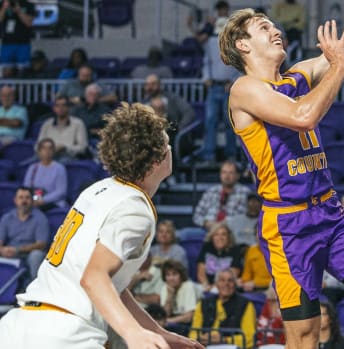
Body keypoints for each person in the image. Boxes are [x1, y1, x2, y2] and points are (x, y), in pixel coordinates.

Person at [221, 3, 344, 348]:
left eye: (273, 25)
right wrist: (337, 65)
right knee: (305, 337)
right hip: (289, 224)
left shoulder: (298, 76)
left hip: (331, 213)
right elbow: (304, 116)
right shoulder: (244, 89)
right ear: (242, 45)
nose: (275, 29)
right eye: (263, 27)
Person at [0, 102, 202, 348]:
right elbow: (94, 278)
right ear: (155, 161)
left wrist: (159, 333)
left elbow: (111, 284)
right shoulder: (135, 208)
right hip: (64, 334)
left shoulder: (100, 189)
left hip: (21, 325)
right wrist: (133, 334)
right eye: (166, 143)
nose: (170, 147)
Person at [190, 1, 239, 164]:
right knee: (210, 120)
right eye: (219, 9)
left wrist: (233, 81)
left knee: (229, 121)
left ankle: (231, 154)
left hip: (228, 87)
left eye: (223, 9)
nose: (221, 12)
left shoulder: (235, 39)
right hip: (214, 86)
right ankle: (209, 155)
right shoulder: (211, 40)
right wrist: (206, 78)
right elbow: (207, 61)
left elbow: (240, 63)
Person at [190, 268, 256, 348]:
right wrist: (201, 338)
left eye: (230, 281)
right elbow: (193, 332)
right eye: (222, 280)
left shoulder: (246, 305)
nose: (226, 284)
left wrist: (225, 340)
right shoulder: (203, 303)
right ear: (216, 284)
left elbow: (249, 338)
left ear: (235, 284)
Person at [0, 186, 49, 280]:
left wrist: (18, 249)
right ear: (15, 200)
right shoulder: (7, 218)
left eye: (27, 198)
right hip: (9, 252)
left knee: (36, 255)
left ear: (32, 200)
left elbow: (42, 244)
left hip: (28, 254)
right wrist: (2, 250)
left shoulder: (40, 218)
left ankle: (34, 290)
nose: (24, 201)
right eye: (21, 197)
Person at [192, 160, 250, 230]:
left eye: (231, 173)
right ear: (220, 175)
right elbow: (197, 216)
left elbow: (247, 217)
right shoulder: (211, 191)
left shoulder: (245, 192)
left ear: (237, 176)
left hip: (232, 230)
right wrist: (206, 223)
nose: (227, 176)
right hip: (209, 229)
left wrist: (225, 224)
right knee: (185, 234)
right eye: (224, 172)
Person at [37, 95, 89, 162]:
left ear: (68, 107)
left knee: (57, 164)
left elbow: (83, 148)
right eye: (57, 106)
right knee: (27, 164)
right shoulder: (47, 124)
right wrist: (46, 150)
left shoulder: (78, 123)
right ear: (54, 108)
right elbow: (38, 145)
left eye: (63, 105)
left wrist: (65, 148)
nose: (60, 108)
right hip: (47, 155)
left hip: (67, 156)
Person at [23, 138, 68, 211]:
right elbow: (26, 187)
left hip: (53, 202)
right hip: (35, 200)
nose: (47, 151)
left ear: (53, 151)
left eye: (50, 148)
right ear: (39, 151)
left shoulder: (59, 168)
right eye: (44, 148)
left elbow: (61, 191)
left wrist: (43, 200)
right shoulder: (33, 168)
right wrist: (34, 199)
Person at [196, 223, 242, 291]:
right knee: (189, 287)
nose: (220, 238)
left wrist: (214, 287)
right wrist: (206, 285)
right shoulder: (206, 247)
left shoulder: (235, 250)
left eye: (223, 234)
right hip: (206, 285)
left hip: (225, 286)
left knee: (216, 290)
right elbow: (201, 273)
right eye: (216, 234)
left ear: (228, 237)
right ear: (212, 237)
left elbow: (233, 274)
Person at [159, 260, 198, 328]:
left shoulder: (188, 286)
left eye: (174, 274)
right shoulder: (165, 287)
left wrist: (168, 321)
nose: (171, 278)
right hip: (173, 323)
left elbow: (188, 317)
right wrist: (169, 296)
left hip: (189, 326)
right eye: (168, 275)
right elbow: (166, 314)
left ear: (181, 275)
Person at [0, 0, 35, 73]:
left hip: (23, 42)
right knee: (6, 69)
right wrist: (4, 8)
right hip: (7, 42)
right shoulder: (3, 3)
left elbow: (29, 23)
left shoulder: (28, 5)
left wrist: (19, 11)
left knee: (23, 70)